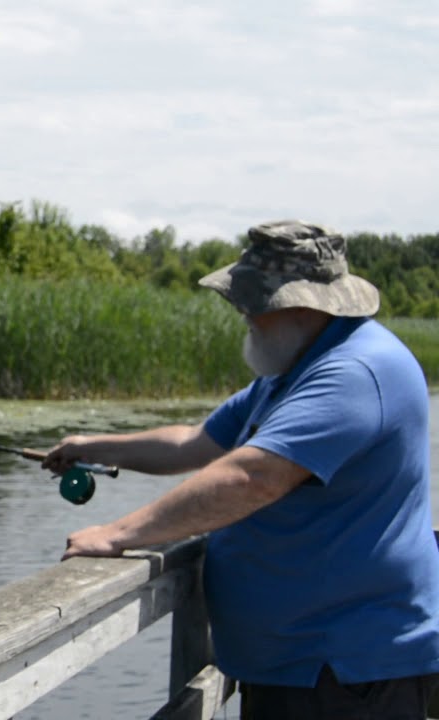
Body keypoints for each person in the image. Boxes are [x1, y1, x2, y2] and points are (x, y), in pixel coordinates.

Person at [42, 220, 439, 719]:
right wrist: (92, 446)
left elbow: (251, 478)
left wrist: (120, 533)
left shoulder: (352, 373)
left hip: (344, 670)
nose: (243, 313)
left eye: (253, 302)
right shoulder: (296, 369)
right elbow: (195, 444)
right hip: (300, 663)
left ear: (301, 305)